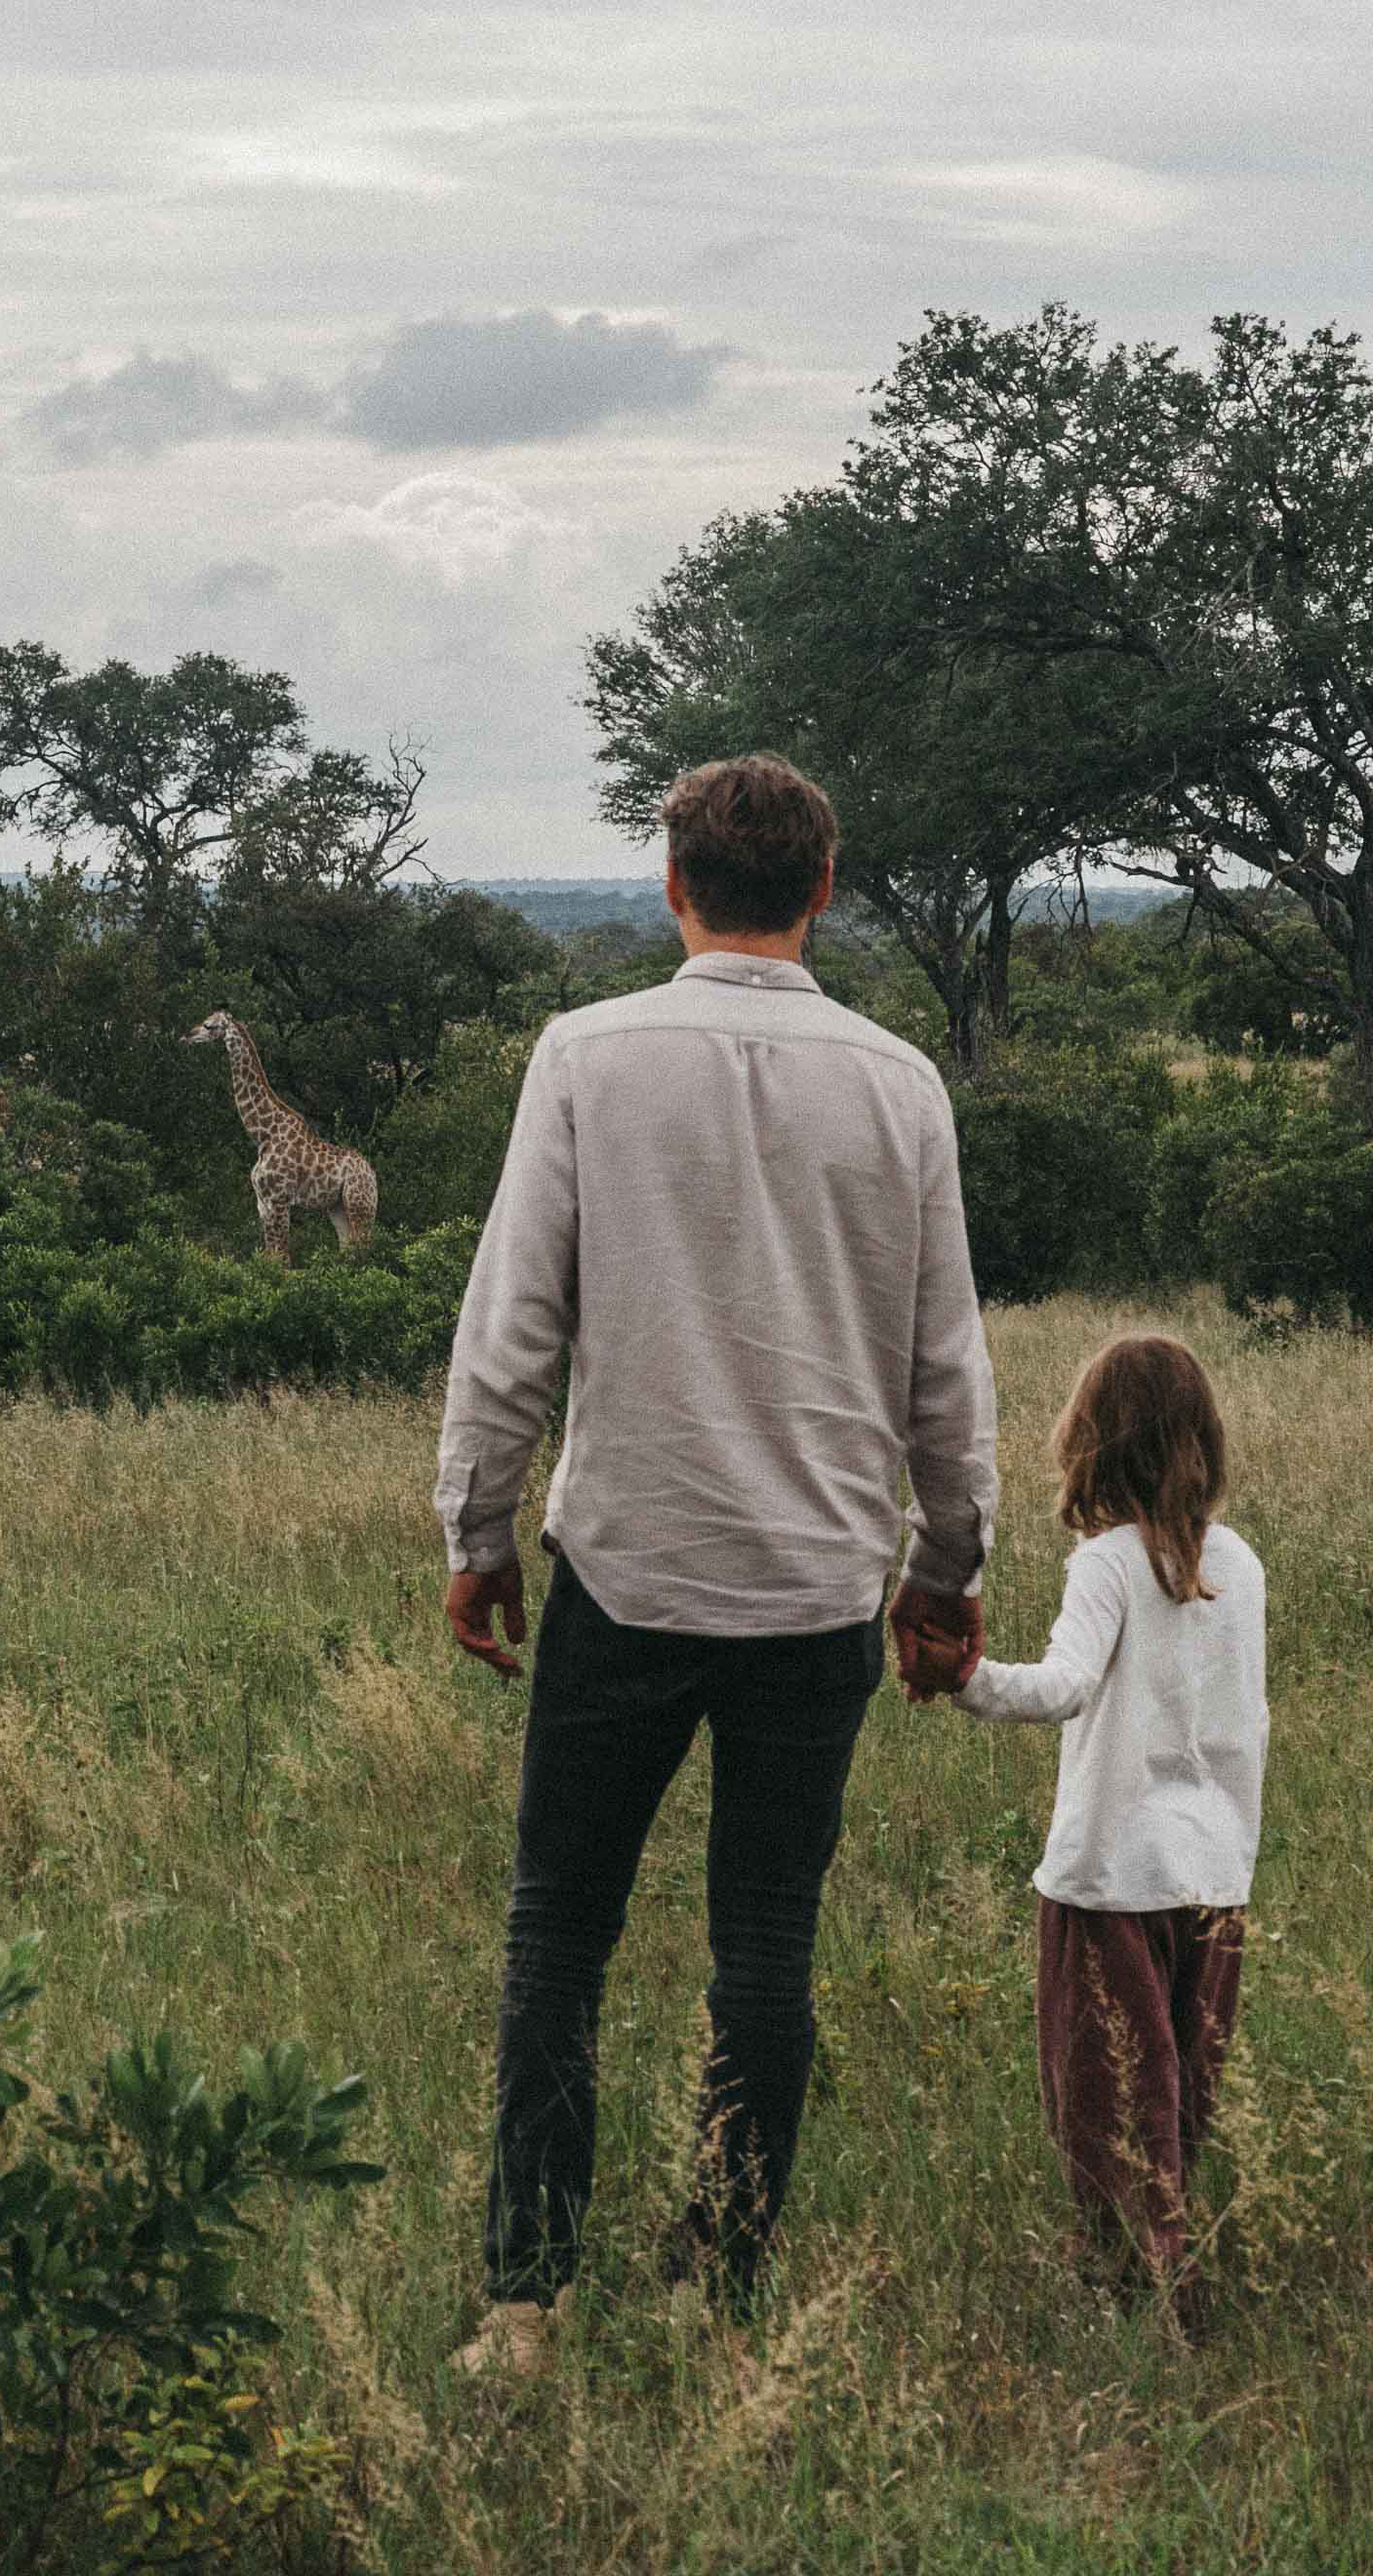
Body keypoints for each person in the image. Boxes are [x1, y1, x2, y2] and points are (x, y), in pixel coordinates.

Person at [434, 752, 997, 2381]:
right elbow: (945, 1373)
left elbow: (510, 1331)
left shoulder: (585, 1058)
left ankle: (525, 2303)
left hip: (623, 1568)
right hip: (821, 1587)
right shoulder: (901, 1085)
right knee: (765, 1950)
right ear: (821, 891)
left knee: (560, 1938)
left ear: (674, 882)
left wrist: (478, 1535)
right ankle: (714, 2293)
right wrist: (945, 1571)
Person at [949, 1335, 1265, 2312]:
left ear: (1094, 1439)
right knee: (1181, 2084)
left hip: (1112, 1872)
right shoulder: (1240, 1564)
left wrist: (963, 1679)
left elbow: (1061, 1687)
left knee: (1109, 2093)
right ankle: (1165, 2250)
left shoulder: (1108, 1563)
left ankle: (1140, 2273)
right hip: (1215, 1875)